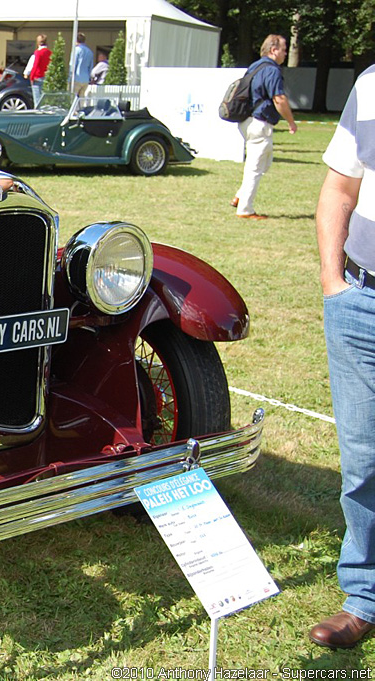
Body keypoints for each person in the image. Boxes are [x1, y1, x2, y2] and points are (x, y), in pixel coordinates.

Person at [309, 64, 375, 651]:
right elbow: (340, 187)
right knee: (362, 458)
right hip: (361, 299)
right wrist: (334, 283)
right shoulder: (372, 83)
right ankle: (364, 596)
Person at [230, 34, 297, 219]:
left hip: (247, 122)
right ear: (273, 50)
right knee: (256, 167)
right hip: (260, 123)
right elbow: (279, 99)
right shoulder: (272, 70)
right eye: (284, 50)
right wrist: (291, 122)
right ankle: (245, 209)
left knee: (263, 163)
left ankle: (239, 196)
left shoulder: (255, 66)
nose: (285, 54)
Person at [23, 35, 51, 106]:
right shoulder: (50, 53)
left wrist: (29, 75)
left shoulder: (37, 53)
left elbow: (33, 65)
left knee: (37, 100)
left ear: (38, 43)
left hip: (37, 77)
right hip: (47, 78)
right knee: (45, 100)